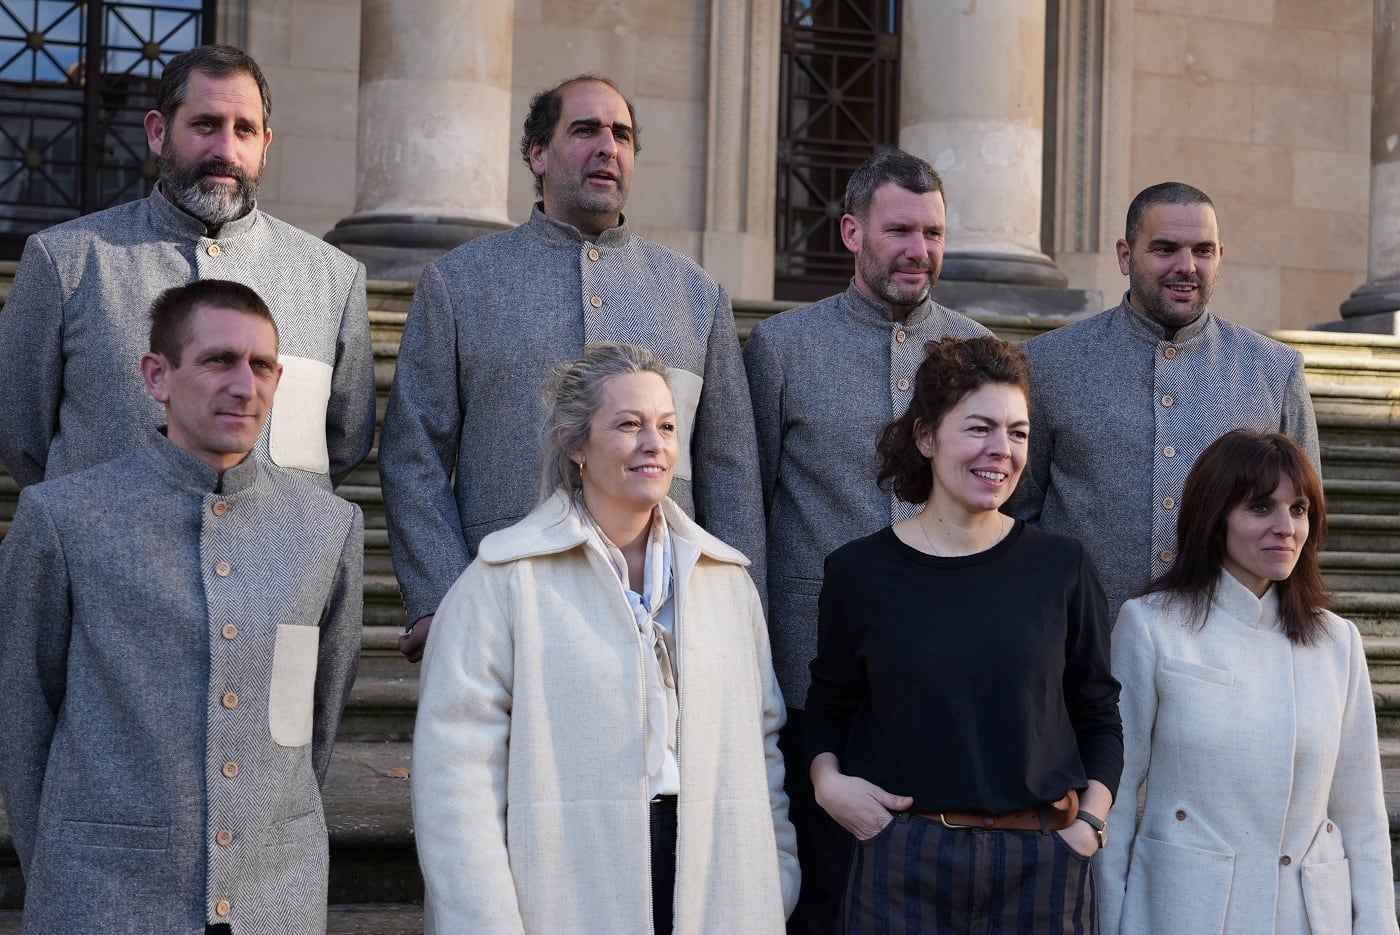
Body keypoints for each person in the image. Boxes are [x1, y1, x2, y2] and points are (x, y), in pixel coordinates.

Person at [0, 280, 364, 935]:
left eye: (261, 366)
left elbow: (317, 716)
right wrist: (56, 866)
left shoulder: (326, 529)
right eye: (218, 360)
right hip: (104, 894)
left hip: (272, 894)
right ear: (157, 376)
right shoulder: (64, 518)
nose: (243, 384)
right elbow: (24, 718)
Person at [411, 342, 797, 934]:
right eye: (628, 425)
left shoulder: (726, 581)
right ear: (575, 444)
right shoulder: (503, 581)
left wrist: (775, 878)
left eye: (667, 426)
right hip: (567, 886)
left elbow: (762, 742)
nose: (654, 444)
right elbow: (456, 779)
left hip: (718, 880)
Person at [381, 74, 765, 663]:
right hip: (507, 600)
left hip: (666, 613)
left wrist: (736, 602)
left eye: (622, 135)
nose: (607, 147)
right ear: (538, 153)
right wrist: (440, 595)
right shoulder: (460, 285)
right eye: (585, 130)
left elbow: (730, 470)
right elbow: (414, 453)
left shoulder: (694, 295)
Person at [743, 149, 989, 933]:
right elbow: (746, 503)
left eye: (934, 232)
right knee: (823, 898)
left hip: (948, 678)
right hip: (817, 681)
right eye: (899, 230)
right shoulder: (781, 348)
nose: (920, 249)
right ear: (853, 232)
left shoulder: (977, 353)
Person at [807, 336, 1122, 933]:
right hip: (901, 861)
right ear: (926, 437)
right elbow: (828, 709)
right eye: (979, 428)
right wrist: (828, 785)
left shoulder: (1063, 566)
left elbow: (1098, 713)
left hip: (1042, 864)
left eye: (1018, 432)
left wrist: (1091, 828)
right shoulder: (857, 572)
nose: (1001, 451)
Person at [0, 44, 375, 491]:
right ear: (158, 132)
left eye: (245, 130)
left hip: (268, 557)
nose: (226, 150)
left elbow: (345, 443)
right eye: (205, 125)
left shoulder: (333, 278)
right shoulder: (64, 261)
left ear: (265, 145)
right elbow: (22, 437)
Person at [1099, 429, 1397, 935]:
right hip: (1183, 911)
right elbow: (1117, 799)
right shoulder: (1151, 626)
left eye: (1298, 509)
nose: (1286, 527)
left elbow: (1362, 816)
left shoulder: (1337, 642)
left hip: (1310, 915)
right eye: (1261, 508)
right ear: (1215, 518)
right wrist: (1107, 920)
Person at [1010, 182, 1319, 617]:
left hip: (1221, 653)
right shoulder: (1046, 364)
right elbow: (1014, 513)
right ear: (1125, 255)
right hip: (1078, 642)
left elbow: (1305, 519)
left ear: (1220, 257)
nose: (1186, 266)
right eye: (1165, 249)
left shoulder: (1274, 369)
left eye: (1203, 251)